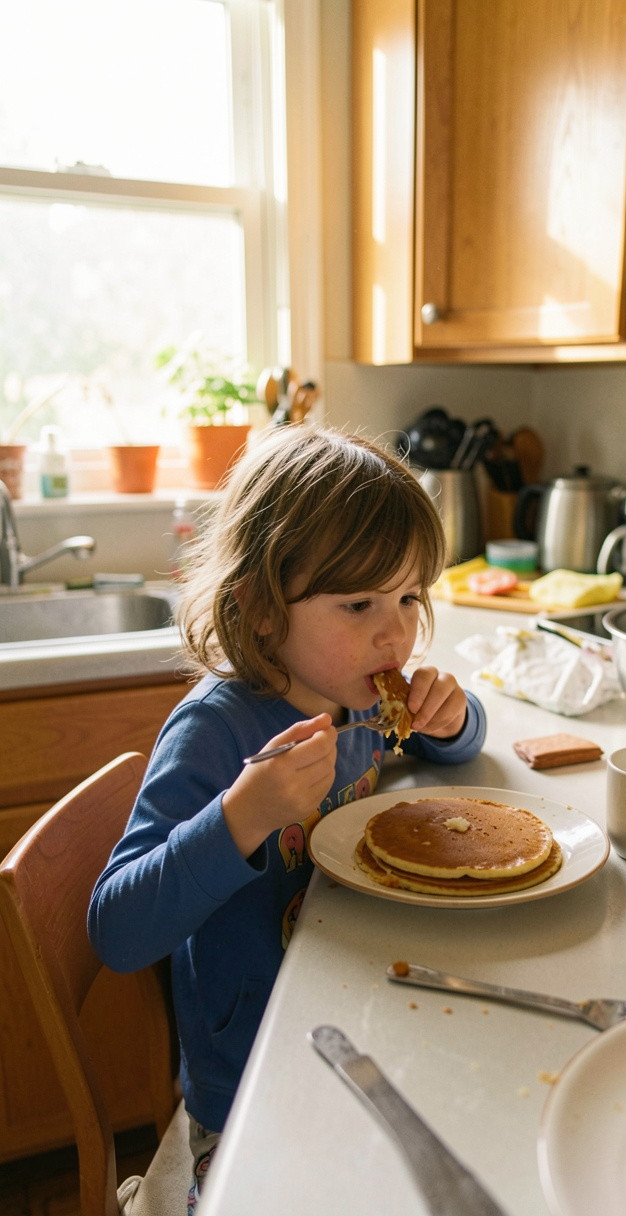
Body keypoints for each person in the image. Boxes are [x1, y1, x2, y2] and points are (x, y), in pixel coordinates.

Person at [88, 426, 486, 1208]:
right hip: (250, 1074)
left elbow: (458, 745)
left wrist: (452, 717)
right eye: (359, 604)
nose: (396, 631)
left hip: (359, 1017)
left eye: (409, 597)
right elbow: (117, 929)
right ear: (263, 610)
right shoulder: (216, 732)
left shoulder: (359, 694)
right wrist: (240, 817)